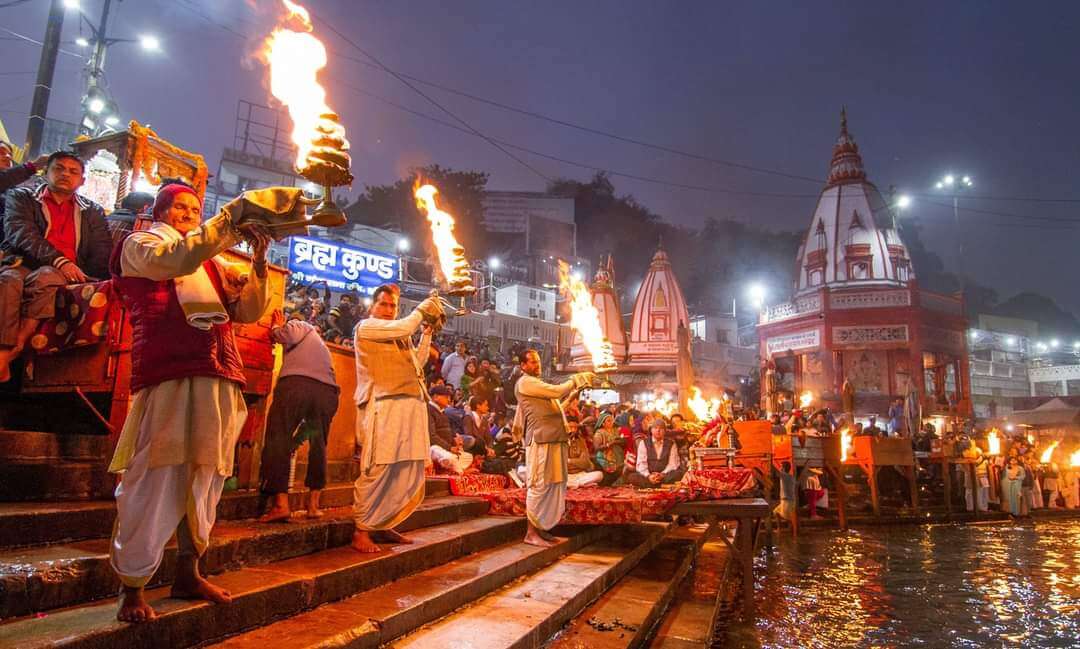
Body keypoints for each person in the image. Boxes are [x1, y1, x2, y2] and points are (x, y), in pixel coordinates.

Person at [107, 181, 282, 622]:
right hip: (169, 375)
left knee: (206, 477)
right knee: (155, 475)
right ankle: (133, 587)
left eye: (194, 208)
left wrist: (259, 262)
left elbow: (246, 313)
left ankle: (189, 570)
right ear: (161, 210)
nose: (188, 213)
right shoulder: (141, 244)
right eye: (179, 206)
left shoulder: (212, 262)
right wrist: (230, 221)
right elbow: (176, 259)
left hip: (219, 375)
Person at [0, 151, 111, 382]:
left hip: (65, 273)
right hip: (23, 262)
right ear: (45, 172)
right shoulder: (22, 197)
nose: (65, 175)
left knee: (46, 277)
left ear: (82, 181)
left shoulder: (93, 211)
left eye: (73, 172)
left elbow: (101, 251)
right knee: (8, 280)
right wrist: (59, 260)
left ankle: (14, 350)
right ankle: (4, 353)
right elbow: (20, 233)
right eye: (59, 168)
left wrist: (92, 279)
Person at [351, 283, 443, 553]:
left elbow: (418, 362)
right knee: (379, 468)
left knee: (403, 468)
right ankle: (361, 530)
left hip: (408, 408)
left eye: (393, 306)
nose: (389, 310)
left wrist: (427, 333)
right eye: (384, 304)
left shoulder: (399, 334)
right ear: (372, 306)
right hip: (384, 407)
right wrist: (421, 311)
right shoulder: (366, 327)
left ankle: (384, 521)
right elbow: (404, 326)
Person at [258, 310, 341, 523]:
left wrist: (277, 327)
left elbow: (289, 335)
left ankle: (281, 505)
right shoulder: (320, 347)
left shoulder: (302, 326)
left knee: (278, 438)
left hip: (297, 386)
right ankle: (313, 506)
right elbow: (308, 428)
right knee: (318, 443)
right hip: (327, 392)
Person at [512, 349, 594, 547]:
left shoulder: (537, 385)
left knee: (552, 485)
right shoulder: (525, 382)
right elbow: (557, 391)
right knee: (539, 485)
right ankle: (531, 533)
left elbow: (557, 406)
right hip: (541, 441)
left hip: (554, 440)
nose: (536, 365)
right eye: (532, 362)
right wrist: (575, 379)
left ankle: (542, 529)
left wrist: (576, 390)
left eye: (538, 361)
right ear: (523, 366)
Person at [428, 385, 473, 475]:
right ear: (436, 397)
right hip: (433, 448)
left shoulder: (442, 412)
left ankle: (453, 467)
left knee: (468, 457)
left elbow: (447, 431)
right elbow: (431, 436)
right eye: (446, 397)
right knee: (449, 458)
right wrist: (449, 448)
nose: (449, 400)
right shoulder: (428, 410)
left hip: (446, 448)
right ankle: (460, 471)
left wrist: (455, 440)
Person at [627, 420, 684, 487]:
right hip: (648, 475)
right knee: (632, 477)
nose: (658, 430)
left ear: (665, 431)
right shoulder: (644, 443)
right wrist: (649, 476)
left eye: (661, 428)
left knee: (679, 473)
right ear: (651, 430)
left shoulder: (671, 443)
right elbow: (641, 463)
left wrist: (662, 475)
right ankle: (658, 484)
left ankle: (652, 484)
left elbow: (672, 464)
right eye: (655, 428)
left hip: (665, 475)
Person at [0, 141, 47, 215]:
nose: (8, 157)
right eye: (1, 152)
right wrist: (33, 166)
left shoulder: (14, 190)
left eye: (10, 154)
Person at [566, 415, 603, 488]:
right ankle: (581, 484)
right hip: (566, 475)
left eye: (575, 427)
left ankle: (575, 484)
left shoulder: (581, 440)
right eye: (570, 427)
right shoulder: (560, 442)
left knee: (599, 475)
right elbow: (561, 463)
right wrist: (578, 462)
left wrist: (569, 461)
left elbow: (585, 462)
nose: (573, 430)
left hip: (580, 474)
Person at [592, 412, 625, 486]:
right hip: (604, 455)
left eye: (612, 420)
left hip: (616, 454)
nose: (611, 422)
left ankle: (619, 482)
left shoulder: (614, 430)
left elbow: (619, 440)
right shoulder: (599, 433)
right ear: (603, 423)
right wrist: (609, 444)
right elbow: (596, 448)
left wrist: (620, 440)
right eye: (608, 421)